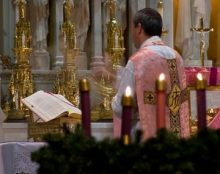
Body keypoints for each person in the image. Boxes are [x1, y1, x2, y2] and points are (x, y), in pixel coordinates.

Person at [111, 8, 190, 141]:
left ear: (139, 28)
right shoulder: (177, 58)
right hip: (175, 140)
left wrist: (112, 101)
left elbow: (122, 107)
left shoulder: (138, 60)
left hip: (146, 139)